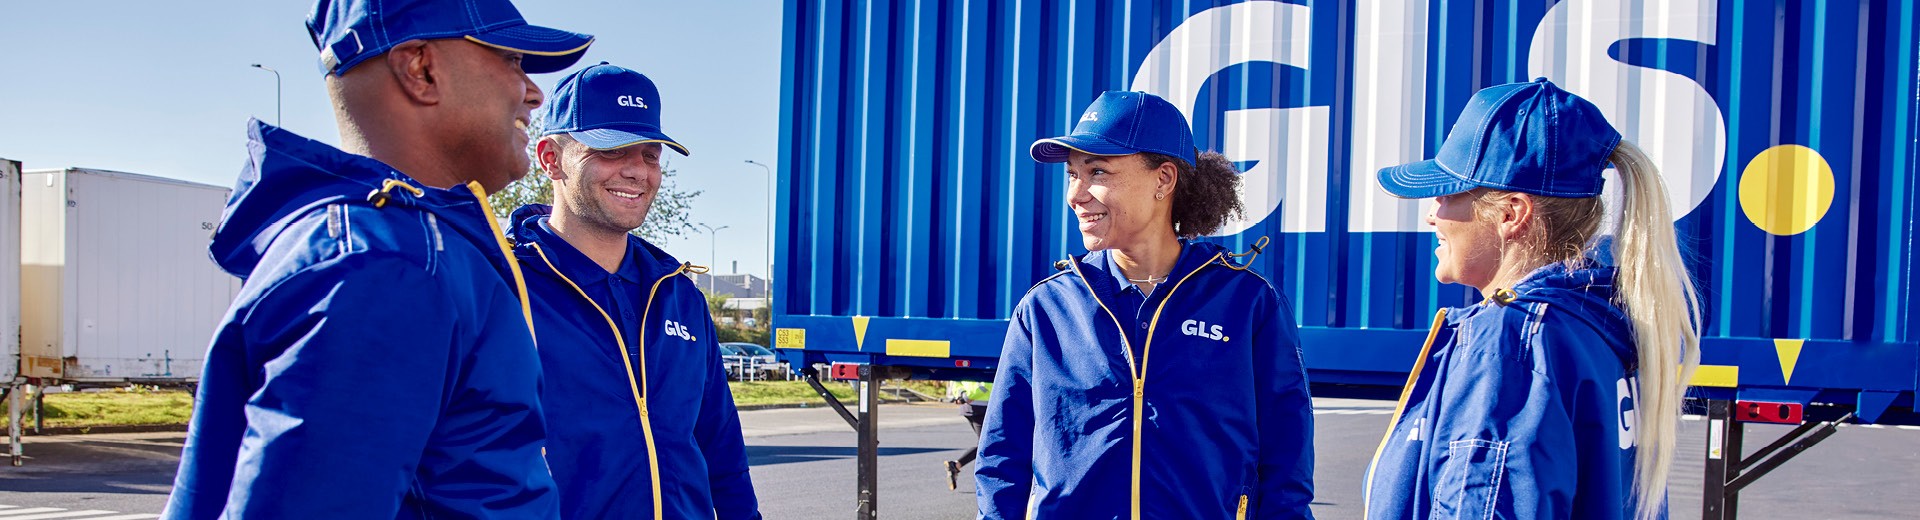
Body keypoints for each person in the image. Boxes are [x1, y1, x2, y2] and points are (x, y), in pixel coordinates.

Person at [163, 1, 592, 518]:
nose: (533, 91)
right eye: (510, 59)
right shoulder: (390, 265)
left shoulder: (394, 247)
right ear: (421, 69)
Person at [1363, 78, 1701, 520]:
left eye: (1446, 194)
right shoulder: (1596, 328)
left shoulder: (1509, 343)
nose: (1432, 215)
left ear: (1510, 214)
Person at [975, 91, 1316, 519]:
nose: (1075, 195)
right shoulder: (1046, 309)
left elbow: (1287, 460)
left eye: (1097, 171)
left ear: (1164, 179)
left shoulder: (1248, 304)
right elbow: (1001, 460)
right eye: (1071, 174)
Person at [506, 62, 760, 520]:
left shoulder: (681, 296)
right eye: (612, 149)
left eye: (649, 154)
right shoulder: (501, 287)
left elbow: (721, 450)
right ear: (549, 158)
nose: (637, 171)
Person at [943, 381, 992, 491]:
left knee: (985, 444)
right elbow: (985, 386)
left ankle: (956, 465)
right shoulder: (987, 366)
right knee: (986, 445)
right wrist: (966, 396)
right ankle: (955, 465)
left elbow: (956, 381)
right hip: (982, 407)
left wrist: (962, 394)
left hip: (969, 408)